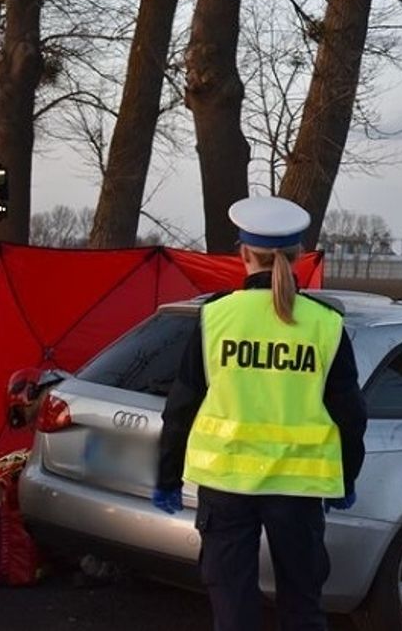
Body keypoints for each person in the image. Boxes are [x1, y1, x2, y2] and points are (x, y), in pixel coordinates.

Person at [154, 196, 367, 631]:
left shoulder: (214, 319)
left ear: (243, 254)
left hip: (226, 485)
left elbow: (181, 407)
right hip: (300, 489)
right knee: (303, 606)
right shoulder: (325, 325)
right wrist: (347, 475)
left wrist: (168, 477)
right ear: (299, 258)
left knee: (232, 608)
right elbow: (350, 413)